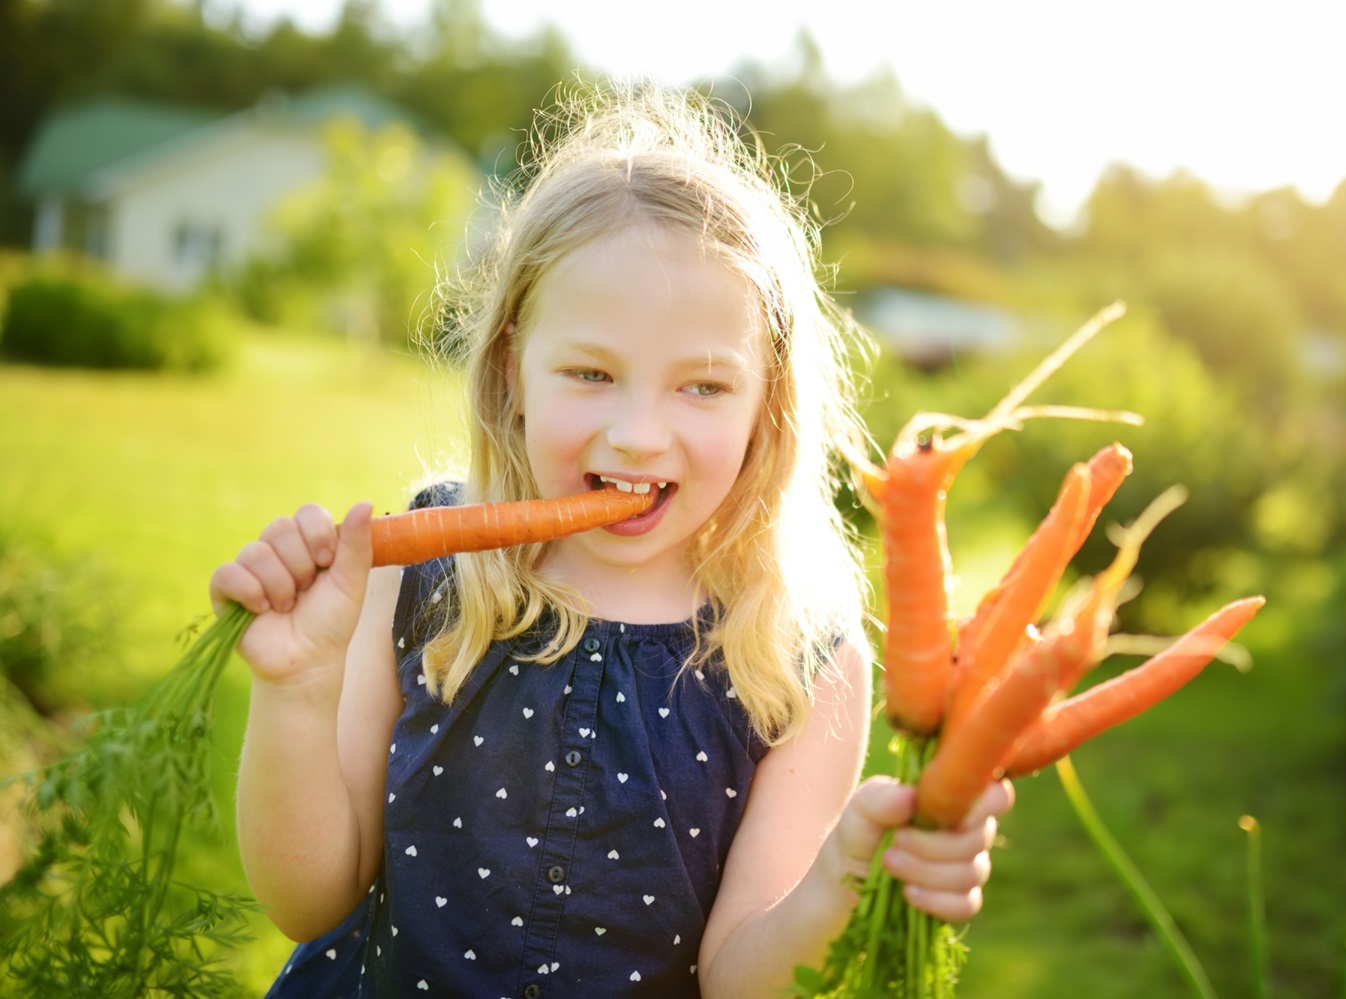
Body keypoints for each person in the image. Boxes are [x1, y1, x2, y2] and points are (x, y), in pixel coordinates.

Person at [213, 82, 1014, 998]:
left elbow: (738, 978)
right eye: (592, 372)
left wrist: (841, 876)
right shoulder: (424, 570)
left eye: (703, 387)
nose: (638, 432)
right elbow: (309, 899)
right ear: (515, 371)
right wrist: (295, 690)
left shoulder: (803, 655)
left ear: (768, 405)